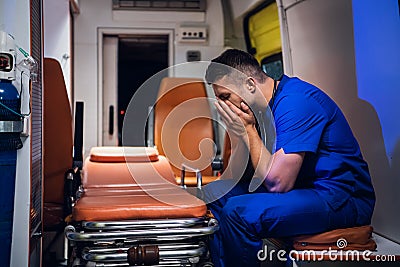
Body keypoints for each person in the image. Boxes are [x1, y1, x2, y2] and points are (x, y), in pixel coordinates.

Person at [203, 49, 375, 267]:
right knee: (216, 194)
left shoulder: (296, 102)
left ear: (249, 84)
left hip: (341, 198)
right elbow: (240, 174)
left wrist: (247, 130)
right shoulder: (260, 109)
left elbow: (278, 183)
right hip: (303, 190)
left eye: (225, 97)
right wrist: (239, 132)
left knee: (237, 212)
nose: (221, 106)